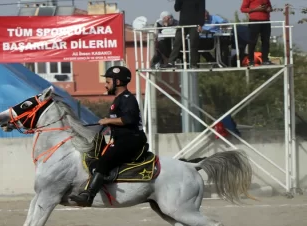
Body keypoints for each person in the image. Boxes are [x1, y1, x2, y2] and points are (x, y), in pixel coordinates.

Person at [70, 66, 147, 207]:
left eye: (108, 81)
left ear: (117, 82)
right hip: (121, 139)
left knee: (104, 161)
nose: (106, 84)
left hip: (131, 140)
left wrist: (108, 121)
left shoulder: (127, 99)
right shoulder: (119, 100)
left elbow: (129, 119)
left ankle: (89, 196)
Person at [162, 0, 206, 68]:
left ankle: (194, 64)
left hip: (194, 24)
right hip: (183, 24)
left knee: (193, 44)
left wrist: (200, 24)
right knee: (177, 42)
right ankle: (171, 62)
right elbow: (177, 8)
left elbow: (201, 10)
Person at [240, 0, 274, 66]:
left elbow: (270, 7)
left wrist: (268, 9)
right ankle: (250, 60)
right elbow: (243, 9)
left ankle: (265, 60)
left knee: (266, 41)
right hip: (254, 21)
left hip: (266, 21)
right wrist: (256, 9)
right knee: (252, 41)